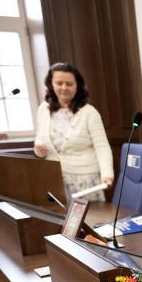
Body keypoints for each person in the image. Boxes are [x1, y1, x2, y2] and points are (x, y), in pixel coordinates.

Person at [34, 62, 113, 201]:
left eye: (69, 84)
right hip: (55, 178)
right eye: (59, 83)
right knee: (60, 215)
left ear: (78, 85)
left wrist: (107, 174)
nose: (64, 88)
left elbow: (102, 146)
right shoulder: (43, 109)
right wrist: (38, 150)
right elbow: (40, 140)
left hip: (85, 180)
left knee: (89, 215)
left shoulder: (89, 112)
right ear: (51, 84)